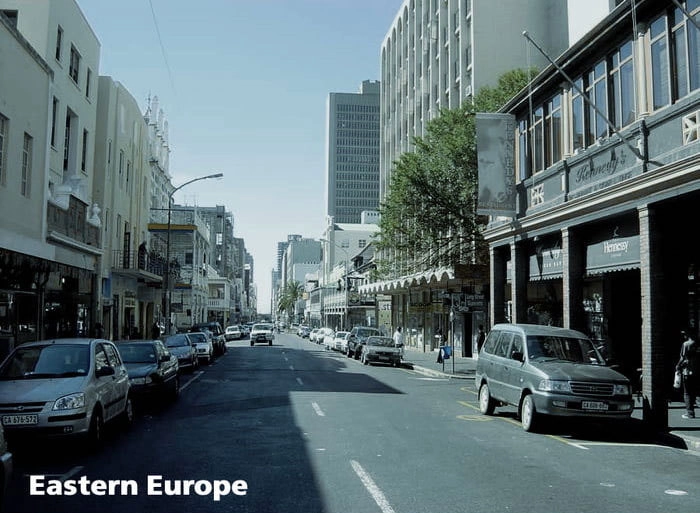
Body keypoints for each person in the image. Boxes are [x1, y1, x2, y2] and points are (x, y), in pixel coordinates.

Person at [676, 330, 698, 419]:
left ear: (688, 334)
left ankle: (690, 413)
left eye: (684, 334)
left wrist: (678, 366)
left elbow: (683, 358)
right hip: (697, 371)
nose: (683, 336)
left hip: (688, 372)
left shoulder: (686, 344)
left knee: (687, 393)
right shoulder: (697, 344)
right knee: (695, 392)